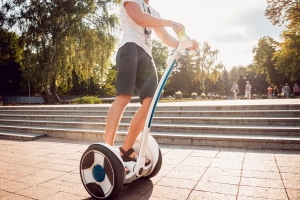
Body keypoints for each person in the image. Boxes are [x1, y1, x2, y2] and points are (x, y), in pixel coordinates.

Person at [104, 0, 198, 170]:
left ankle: (126, 148)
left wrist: (187, 45)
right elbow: (139, 18)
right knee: (123, 97)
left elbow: (165, 37)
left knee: (150, 103)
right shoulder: (132, 1)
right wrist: (171, 23)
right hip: (130, 47)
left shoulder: (154, 12)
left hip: (147, 56)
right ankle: (107, 151)